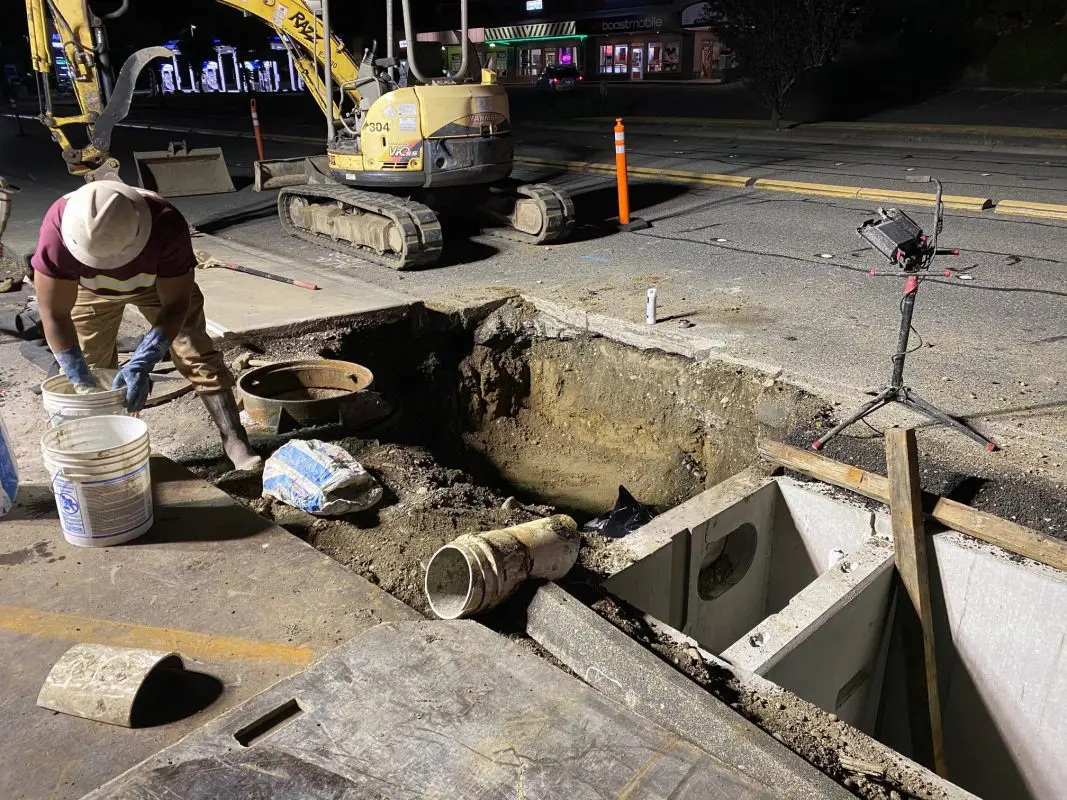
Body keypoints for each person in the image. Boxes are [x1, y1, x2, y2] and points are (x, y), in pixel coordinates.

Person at [32, 180, 262, 471]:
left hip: (158, 284)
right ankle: (107, 447)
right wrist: (78, 377)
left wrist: (144, 359)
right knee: (90, 367)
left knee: (193, 349)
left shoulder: (165, 222)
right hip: (89, 289)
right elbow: (54, 314)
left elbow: (176, 306)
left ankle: (234, 437)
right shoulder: (57, 230)